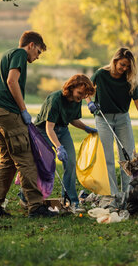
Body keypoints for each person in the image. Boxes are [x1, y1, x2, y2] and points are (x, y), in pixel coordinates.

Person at [0, 31, 57, 218]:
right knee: (26, 159)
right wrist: (23, 109)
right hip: (8, 112)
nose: (37, 57)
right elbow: (11, 81)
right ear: (31, 45)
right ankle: (36, 206)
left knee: (8, 160)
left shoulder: (5, 55)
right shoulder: (19, 54)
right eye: (38, 52)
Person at [86, 47, 138, 195]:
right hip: (103, 119)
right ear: (115, 61)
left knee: (128, 157)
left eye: (127, 66)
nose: (124, 69)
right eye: (122, 65)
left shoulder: (130, 80)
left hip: (122, 119)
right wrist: (89, 102)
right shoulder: (101, 74)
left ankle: (127, 193)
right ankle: (113, 194)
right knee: (108, 158)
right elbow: (87, 90)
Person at [33, 74, 97, 208]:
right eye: (80, 92)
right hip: (43, 131)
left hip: (63, 129)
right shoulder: (55, 99)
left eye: (84, 94)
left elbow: (72, 118)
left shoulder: (76, 100)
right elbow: (49, 127)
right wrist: (58, 147)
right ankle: (28, 196)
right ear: (72, 87)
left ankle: (70, 199)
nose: (81, 97)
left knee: (71, 162)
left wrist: (86, 128)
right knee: (45, 165)